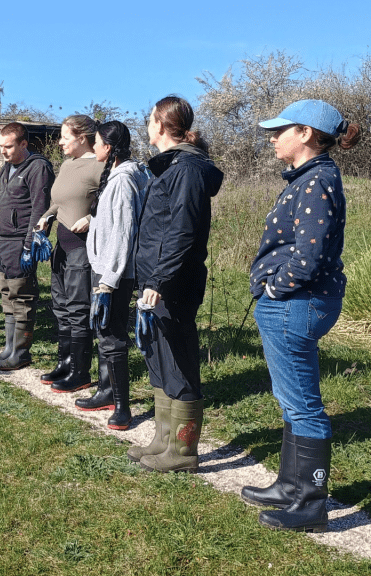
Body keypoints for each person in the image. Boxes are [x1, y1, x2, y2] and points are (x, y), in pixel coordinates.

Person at [240, 100, 360, 533]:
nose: (273, 137)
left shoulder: (316, 181)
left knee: (304, 407)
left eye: (280, 130)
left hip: (296, 303)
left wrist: (274, 288)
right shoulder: (310, 178)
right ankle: (289, 487)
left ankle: (311, 503)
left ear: (306, 133)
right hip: (294, 302)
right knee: (291, 401)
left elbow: (308, 256)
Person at [130, 96, 223, 474]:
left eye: (150, 119)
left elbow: (182, 231)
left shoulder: (186, 169)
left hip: (172, 282)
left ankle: (183, 450)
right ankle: (163, 439)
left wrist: (159, 279)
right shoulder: (169, 168)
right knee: (158, 354)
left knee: (179, 358)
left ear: (161, 125)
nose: (147, 126)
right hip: (155, 280)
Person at [75, 121, 152, 431]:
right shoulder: (118, 176)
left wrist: (109, 280)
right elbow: (111, 221)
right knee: (103, 333)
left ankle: (122, 407)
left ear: (108, 147)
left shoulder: (122, 181)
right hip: (106, 269)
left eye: (95, 143)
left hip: (114, 274)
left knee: (113, 337)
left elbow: (123, 234)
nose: (93, 148)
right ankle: (106, 391)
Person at [37, 115, 103, 392]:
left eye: (65, 136)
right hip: (61, 248)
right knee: (61, 308)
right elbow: (58, 201)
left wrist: (92, 218)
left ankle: (80, 371)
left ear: (82, 137)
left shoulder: (100, 166)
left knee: (77, 310)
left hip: (82, 250)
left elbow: (114, 205)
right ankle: (65, 363)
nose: (60, 141)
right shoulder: (66, 165)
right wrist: (47, 216)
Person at [0, 122, 54, 370]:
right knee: (7, 296)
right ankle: (9, 347)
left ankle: (21, 352)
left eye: (8, 146)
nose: (3, 151)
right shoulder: (7, 167)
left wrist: (29, 246)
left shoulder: (38, 168)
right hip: (2, 242)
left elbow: (39, 209)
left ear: (23, 144)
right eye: (1, 147)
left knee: (22, 297)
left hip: (18, 243)